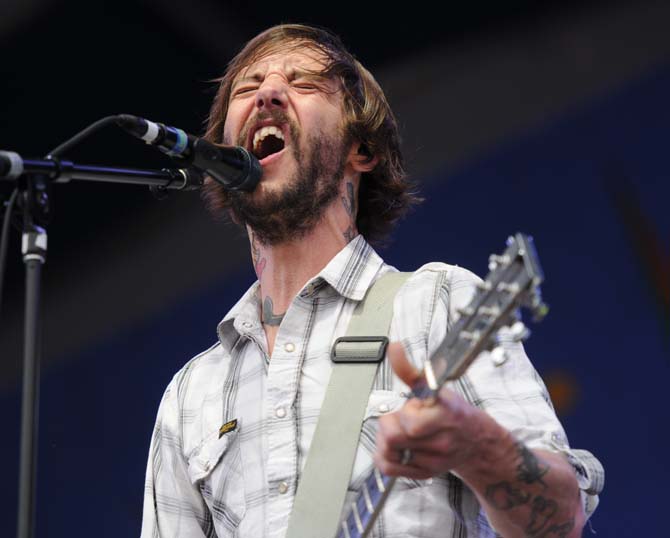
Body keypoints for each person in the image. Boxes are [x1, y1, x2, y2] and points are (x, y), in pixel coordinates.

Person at [140, 24, 603, 538]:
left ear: (361, 151)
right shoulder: (190, 394)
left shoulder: (435, 304)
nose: (268, 92)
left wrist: (478, 447)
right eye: (247, 88)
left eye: (304, 83)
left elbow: (561, 522)